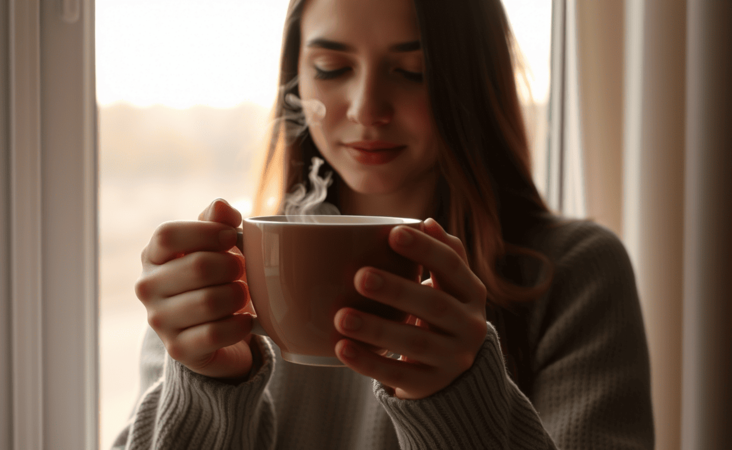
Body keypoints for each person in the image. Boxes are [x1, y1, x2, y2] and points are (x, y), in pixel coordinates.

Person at [114, 0, 654, 448]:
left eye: (412, 72)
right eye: (331, 68)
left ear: (471, 80)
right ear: (297, 77)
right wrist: (207, 388)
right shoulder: (221, 281)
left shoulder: (576, 273)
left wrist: (459, 397)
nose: (368, 108)